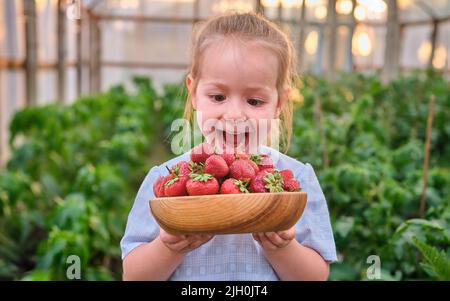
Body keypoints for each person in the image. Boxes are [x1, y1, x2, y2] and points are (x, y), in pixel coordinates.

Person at [121, 11, 337, 281]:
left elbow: (316, 276)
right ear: (194, 93)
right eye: (218, 96)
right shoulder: (166, 180)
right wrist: (167, 247)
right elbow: (133, 275)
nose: (234, 114)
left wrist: (283, 248)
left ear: (279, 103)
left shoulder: (295, 181)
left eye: (254, 101)